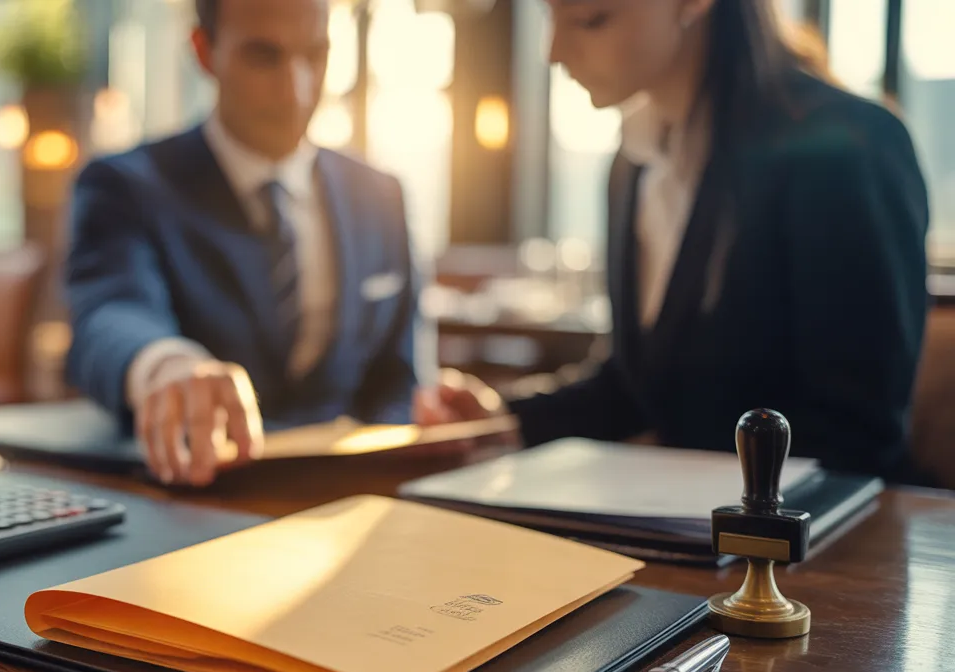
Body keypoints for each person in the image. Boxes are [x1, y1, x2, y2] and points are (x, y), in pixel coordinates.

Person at [417, 0, 930, 483]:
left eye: (591, 20)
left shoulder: (847, 149)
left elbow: (858, 432)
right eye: (550, 14)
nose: (552, 52)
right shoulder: (633, 164)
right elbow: (636, 386)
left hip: (826, 545)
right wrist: (504, 420)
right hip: (691, 533)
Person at [64, 0, 419, 487]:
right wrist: (167, 364)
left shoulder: (381, 195)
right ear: (204, 51)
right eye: (263, 57)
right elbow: (109, 315)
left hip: (358, 499)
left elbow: (400, 377)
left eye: (315, 54)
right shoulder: (126, 186)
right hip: (193, 497)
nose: (297, 90)